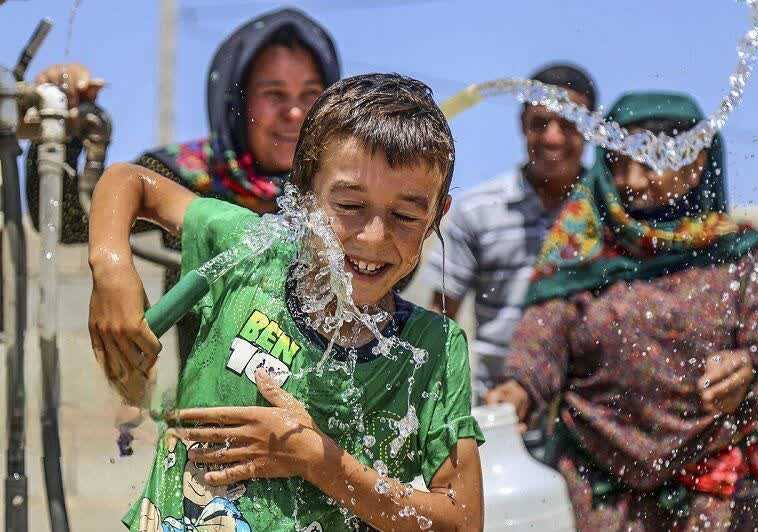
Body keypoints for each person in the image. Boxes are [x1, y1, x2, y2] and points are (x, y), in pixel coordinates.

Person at [87, 73, 484, 531]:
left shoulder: (431, 349)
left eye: (406, 216)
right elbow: (130, 182)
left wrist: (317, 459)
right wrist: (112, 264)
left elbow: (463, 521)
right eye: (350, 206)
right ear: (303, 191)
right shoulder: (252, 253)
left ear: (438, 214)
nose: (374, 237)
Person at [502, 92, 758, 530]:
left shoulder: (738, 254)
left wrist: (748, 371)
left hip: (712, 497)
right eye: (618, 163)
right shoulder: (580, 253)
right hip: (597, 494)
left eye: (648, 161)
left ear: (696, 163)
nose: (631, 182)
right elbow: (540, 341)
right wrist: (517, 388)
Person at [28, 7, 341, 360]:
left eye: (311, 94)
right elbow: (64, 221)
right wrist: (61, 123)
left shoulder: (343, 192)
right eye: (274, 94)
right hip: (207, 411)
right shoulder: (182, 179)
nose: (295, 113)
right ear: (237, 100)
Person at [421, 63, 597, 397]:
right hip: (492, 407)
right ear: (522, 125)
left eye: (569, 123)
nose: (553, 137)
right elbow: (440, 316)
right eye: (541, 123)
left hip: (583, 413)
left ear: (591, 128)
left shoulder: (607, 215)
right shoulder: (478, 210)